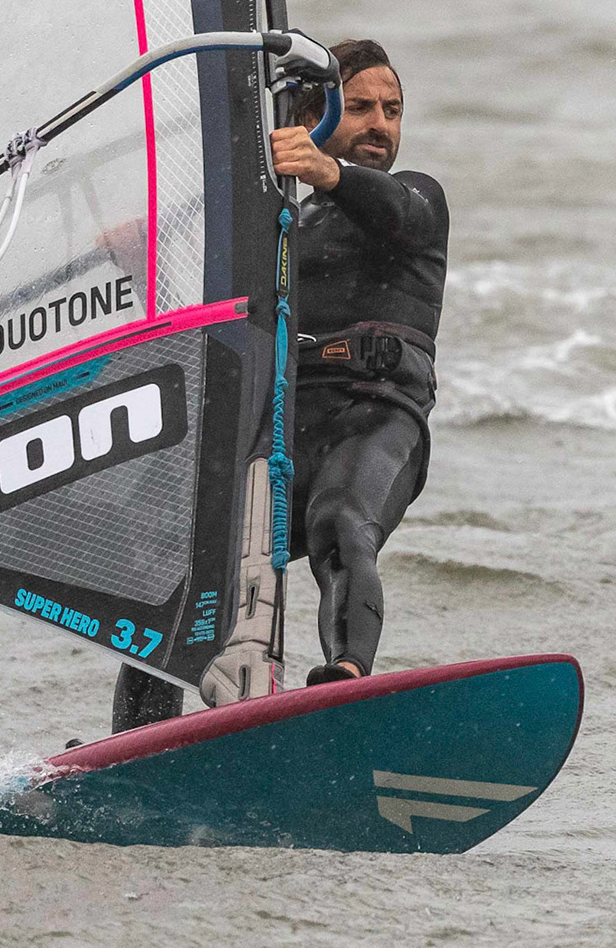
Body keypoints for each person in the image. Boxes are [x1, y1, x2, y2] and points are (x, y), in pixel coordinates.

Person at [111, 39, 448, 729]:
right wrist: (144, 263)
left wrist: (329, 170)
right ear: (313, 116)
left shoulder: (415, 197)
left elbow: (399, 211)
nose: (380, 124)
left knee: (339, 520)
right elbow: (210, 328)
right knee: (177, 567)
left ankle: (344, 680)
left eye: (392, 110)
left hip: (378, 415)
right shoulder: (278, 226)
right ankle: (141, 740)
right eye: (360, 108)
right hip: (283, 423)